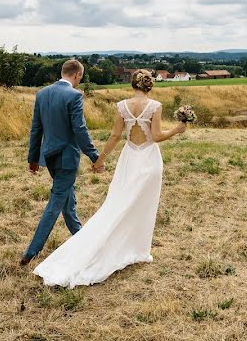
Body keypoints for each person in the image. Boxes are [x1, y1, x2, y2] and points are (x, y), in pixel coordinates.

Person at [33, 69, 187, 287]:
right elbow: (156, 136)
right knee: (143, 205)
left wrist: (100, 159)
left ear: (133, 85)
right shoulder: (155, 106)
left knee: (118, 202)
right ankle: (138, 249)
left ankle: (133, 248)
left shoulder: (122, 106)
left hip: (129, 159)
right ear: (149, 85)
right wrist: (177, 130)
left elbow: (115, 136)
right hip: (149, 160)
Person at [20, 59, 102, 266]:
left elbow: (36, 129)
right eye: (80, 78)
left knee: (67, 199)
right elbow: (80, 130)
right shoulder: (74, 95)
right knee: (56, 203)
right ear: (77, 75)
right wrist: (94, 156)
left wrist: (33, 158)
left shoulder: (42, 93)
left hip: (49, 156)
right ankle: (32, 251)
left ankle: (80, 237)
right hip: (66, 158)